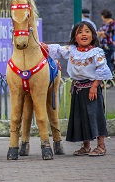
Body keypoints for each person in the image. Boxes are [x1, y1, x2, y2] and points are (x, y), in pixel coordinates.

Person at [41, 21, 113, 157]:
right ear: (75, 36)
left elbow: (102, 69)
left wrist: (94, 87)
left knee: (95, 116)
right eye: (79, 32)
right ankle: (86, 146)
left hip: (91, 89)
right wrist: (41, 45)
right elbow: (55, 50)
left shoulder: (96, 52)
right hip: (77, 89)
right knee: (81, 117)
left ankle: (101, 146)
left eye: (87, 31)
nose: (83, 34)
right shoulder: (71, 50)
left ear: (93, 35)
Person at [97, 9, 115, 73]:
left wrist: (101, 33)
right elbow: (98, 33)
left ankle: (109, 78)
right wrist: (101, 33)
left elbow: (105, 34)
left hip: (108, 45)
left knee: (108, 61)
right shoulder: (104, 24)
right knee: (104, 61)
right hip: (103, 45)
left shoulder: (112, 24)